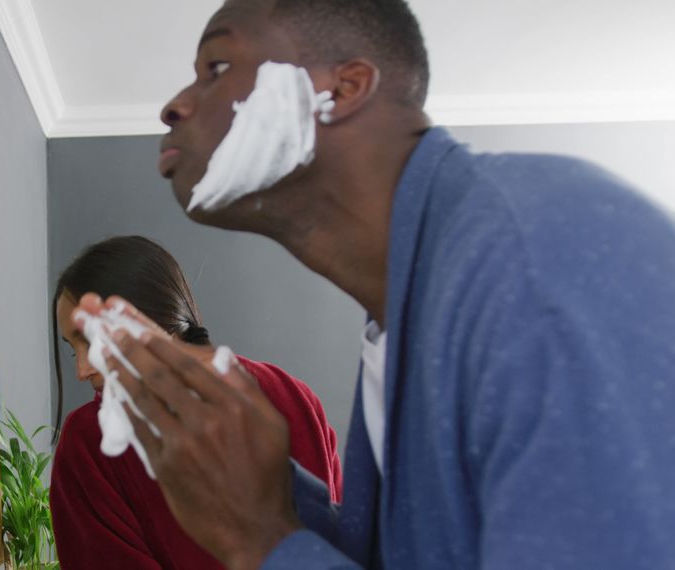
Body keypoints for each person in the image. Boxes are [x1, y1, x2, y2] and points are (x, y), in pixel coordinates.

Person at [73, 0, 675, 568]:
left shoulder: (539, 268)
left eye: (218, 66)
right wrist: (270, 486)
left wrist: (258, 534)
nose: (173, 104)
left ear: (339, 90)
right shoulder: (407, 314)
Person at [49, 235, 342, 569]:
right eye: (74, 349)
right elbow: (342, 542)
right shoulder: (294, 394)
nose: (81, 370)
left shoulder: (92, 440)